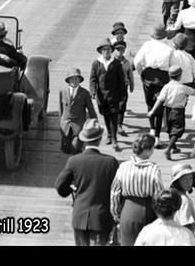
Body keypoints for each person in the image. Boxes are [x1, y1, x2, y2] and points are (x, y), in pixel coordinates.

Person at [55, 118, 120, 246]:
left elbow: (60, 186)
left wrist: (72, 189)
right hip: (101, 219)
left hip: (79, 217)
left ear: (83, 139)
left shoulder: (74, 161)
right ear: (100, 138)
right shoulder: (111, 162)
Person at [110, 133, 164, 246]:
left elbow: (115, 193)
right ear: (147, 150)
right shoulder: (154, 169)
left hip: (127, 211)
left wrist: (116, 214)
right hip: (148, 211)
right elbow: (159, 195)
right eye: (152, 148)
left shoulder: (123, 167)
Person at [133, 24, 174, 144]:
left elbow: (137, 61)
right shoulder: (169, 48)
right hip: (163, 76)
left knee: (149, 102)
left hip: (148, 75)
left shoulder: (147, 45)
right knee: (160, 104)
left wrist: (141, 74)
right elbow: (173, 65)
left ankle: (152, 128)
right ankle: (157, 136)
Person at [147, 64, 195, 160]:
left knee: (170, 129)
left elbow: (160, 99)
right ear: (180, 76)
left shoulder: (166, 87)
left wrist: (152, 111)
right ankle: (168, 149)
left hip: (167, 110)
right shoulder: (183, 87)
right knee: (177, 130)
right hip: (178, 111)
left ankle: (174, 147)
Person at [89, 38, 126, 150]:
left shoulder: (116, 63)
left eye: (108, 49)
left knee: (114, 115)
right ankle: (109, 134)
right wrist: (93, 91)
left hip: (113, 94)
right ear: (101, 51)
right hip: (101, 95)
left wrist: (122, 94)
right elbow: (93, 78)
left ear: (111, 50)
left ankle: (114, 138)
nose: (106, 52)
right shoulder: (96, 63)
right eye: (104, 50)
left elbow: (121, 79)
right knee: (105, 114)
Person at [59, 68, 97, 154]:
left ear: (80, 80)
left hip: (78, 125)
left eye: (76, 79)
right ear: (68, 80)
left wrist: (94, 122)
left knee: (76, 149)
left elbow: (91, 109)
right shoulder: (63, 91)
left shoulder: (85, 93)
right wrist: (61, 122)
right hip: (66, 125)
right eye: (71, 79)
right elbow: (60, 109)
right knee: (65, 149)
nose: (74, 81)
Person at [170, 162, 195, 234]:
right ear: (177, 182)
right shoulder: (184, 200)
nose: (189, 182)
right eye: (184, 180)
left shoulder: (172, 195)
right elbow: (187, 225)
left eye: (190, 178)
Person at [112, 39, 135, 135]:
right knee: (114, 105)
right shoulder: (112, 61)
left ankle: (119, 124)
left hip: (123, 86)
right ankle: (113, 123)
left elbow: (130, 74)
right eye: (118, 49)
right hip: (113, 86)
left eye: (122, 49)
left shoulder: (127, 62)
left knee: (122, 105)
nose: (120, 51)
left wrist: (132, 85)